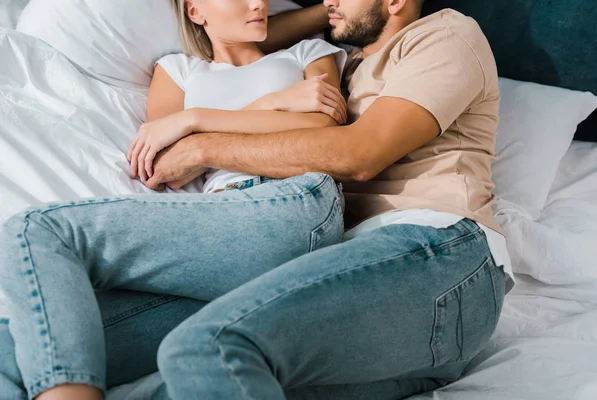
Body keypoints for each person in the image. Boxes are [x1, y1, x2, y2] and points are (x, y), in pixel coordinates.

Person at [0, 0, 516, 399]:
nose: (324, 0)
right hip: (360, 301)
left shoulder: (443, 36)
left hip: (440, 256)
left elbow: (361, 153)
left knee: (205, 347)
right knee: (18, 352)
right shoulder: (345, 60)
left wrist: (201, 140)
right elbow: (248, 34)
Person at [0, 1, 348, 399]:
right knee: (8, 354)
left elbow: (321, 128)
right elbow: (161, 159)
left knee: (36, 231)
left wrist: (194, 122)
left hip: (293, 204)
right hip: (214, 243)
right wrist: (265, 106)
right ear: (196, 10)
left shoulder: (307, 52)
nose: (259, 3)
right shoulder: (178, 68)